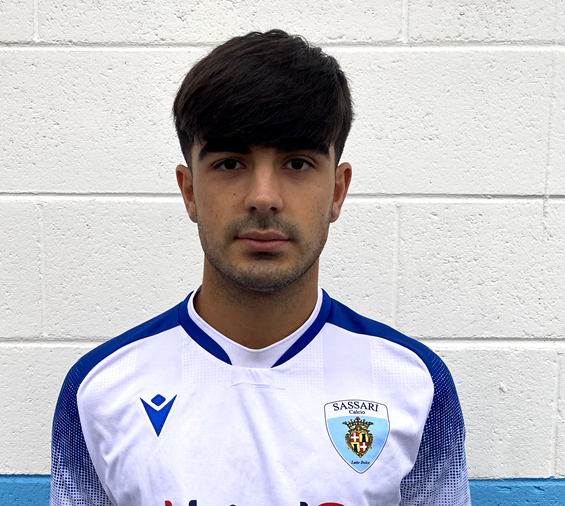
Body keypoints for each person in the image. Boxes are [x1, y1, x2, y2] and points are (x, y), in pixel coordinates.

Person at [50, 29, 471, 506]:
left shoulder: (413, 383)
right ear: (189, 192)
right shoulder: (101, 388)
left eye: (298, 163)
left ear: (337, 191)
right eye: (230, 164)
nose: (263, 197)